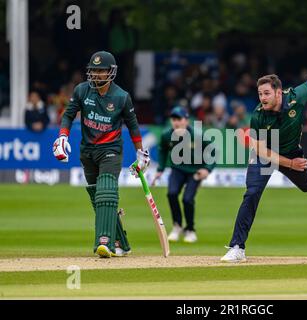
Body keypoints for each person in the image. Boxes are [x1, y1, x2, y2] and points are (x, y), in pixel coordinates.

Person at [221, 34, 307, 263]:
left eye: (266, 93)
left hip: (291, 151)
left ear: (278, 92)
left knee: (306, 185)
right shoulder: (258, 116)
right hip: (265, 155)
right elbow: (261, 152)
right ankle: (237, 247)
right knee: (252, 193)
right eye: (260, 93)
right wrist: (289, 163)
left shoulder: (296, 97)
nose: (262, 98)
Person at [52, 51, 150, 258]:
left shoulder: (122, 97)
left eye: (101, 70)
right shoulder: (81, 91)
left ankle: (104, 242)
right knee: (99, 196)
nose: (96, 74)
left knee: (106, 189)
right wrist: (62, 137)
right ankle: (121, 243)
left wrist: (141, 153)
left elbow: (133, 127)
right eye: (93, 70)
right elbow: (68, 115)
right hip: (87, 151)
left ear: (110, 72)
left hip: (111, 150)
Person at [152, 106, 216, 243]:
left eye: (179, 119)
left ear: (186, 121)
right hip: (177, 168)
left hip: (195, 171)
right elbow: (162, 150)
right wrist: (160, 169)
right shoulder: (166, 135)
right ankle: (177, 226)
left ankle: (190, 230)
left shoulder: (197, 135)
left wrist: (207, 169)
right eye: (173, 119)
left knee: (187, 200)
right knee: (172, 193)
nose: (176, 122)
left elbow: (212, 152)